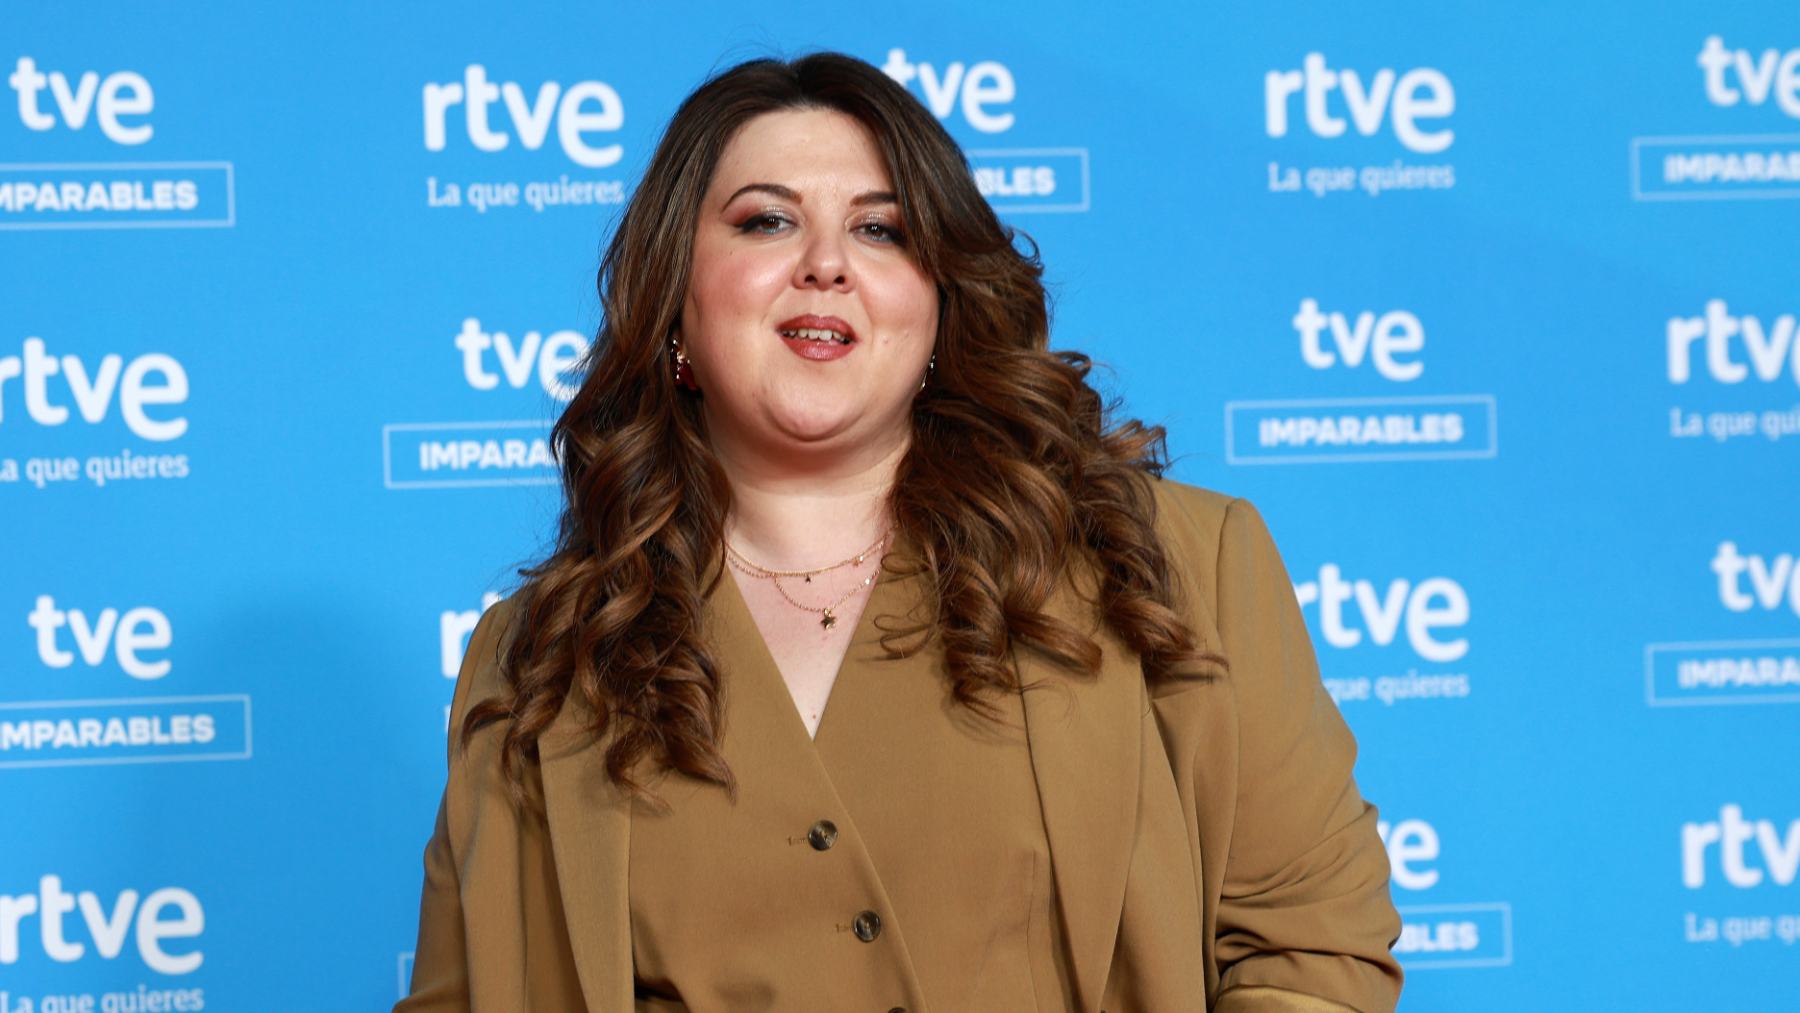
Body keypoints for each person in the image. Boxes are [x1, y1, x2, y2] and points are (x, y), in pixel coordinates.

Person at [396, 51, 1402, 1013]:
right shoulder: (537, 663)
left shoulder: (1177, 566)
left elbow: (1311, 947)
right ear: (675, 301)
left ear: (938, 302)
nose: (826, 264)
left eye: (881, 230)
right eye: (766, 221)